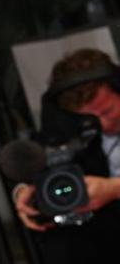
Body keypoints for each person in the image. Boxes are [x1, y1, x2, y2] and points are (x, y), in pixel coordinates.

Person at [11, 48, 120, 263]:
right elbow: (38, 166)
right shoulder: (69, 131)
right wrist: (26, 192)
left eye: (107, 111)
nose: (102, 123)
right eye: (90, 117)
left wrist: (114, 189)